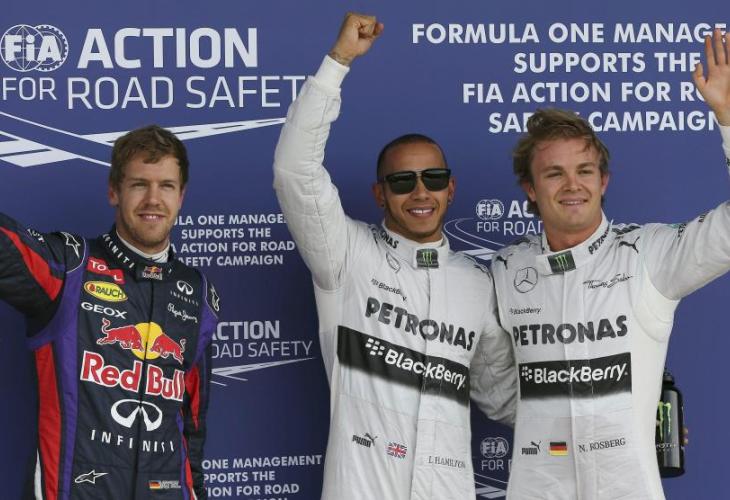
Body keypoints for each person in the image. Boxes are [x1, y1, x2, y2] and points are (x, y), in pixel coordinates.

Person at [273, 12, 516, 500]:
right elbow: (295, 171)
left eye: (433, 179)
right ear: (380, 194)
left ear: (450, 189)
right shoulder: (346, 255)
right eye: (402, 181)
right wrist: (338, 62)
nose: (420, 192)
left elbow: (506, 397)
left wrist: (619, 419)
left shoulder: (477, 283)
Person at [491, 28, 730, 500]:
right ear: (530, 190)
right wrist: (565, 421)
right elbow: (494, 386)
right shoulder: (505, 269)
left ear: (604, 181)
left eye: (584, 171)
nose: (572, 185)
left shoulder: (650, 253)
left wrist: (728, 118)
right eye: (554, 173)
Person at [0, 125, 219, 500]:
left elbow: (193, 422)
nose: (153, 199)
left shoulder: (198, 294)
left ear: (181, 196)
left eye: (166, 186)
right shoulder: (69, 268)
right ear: (114, 191)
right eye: (139, 185)